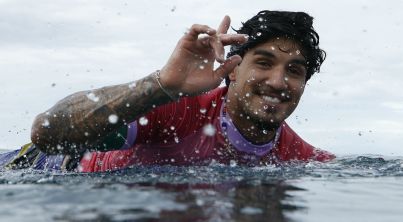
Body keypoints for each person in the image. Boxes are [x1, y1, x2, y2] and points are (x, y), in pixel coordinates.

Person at [0, 10, 334, 172]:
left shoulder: (304, 159)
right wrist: (162, 85)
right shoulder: (179, 110)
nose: (278, 82)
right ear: (232, 70)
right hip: (45, 169)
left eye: (294, 70)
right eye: (264, 62)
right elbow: (47, 132)